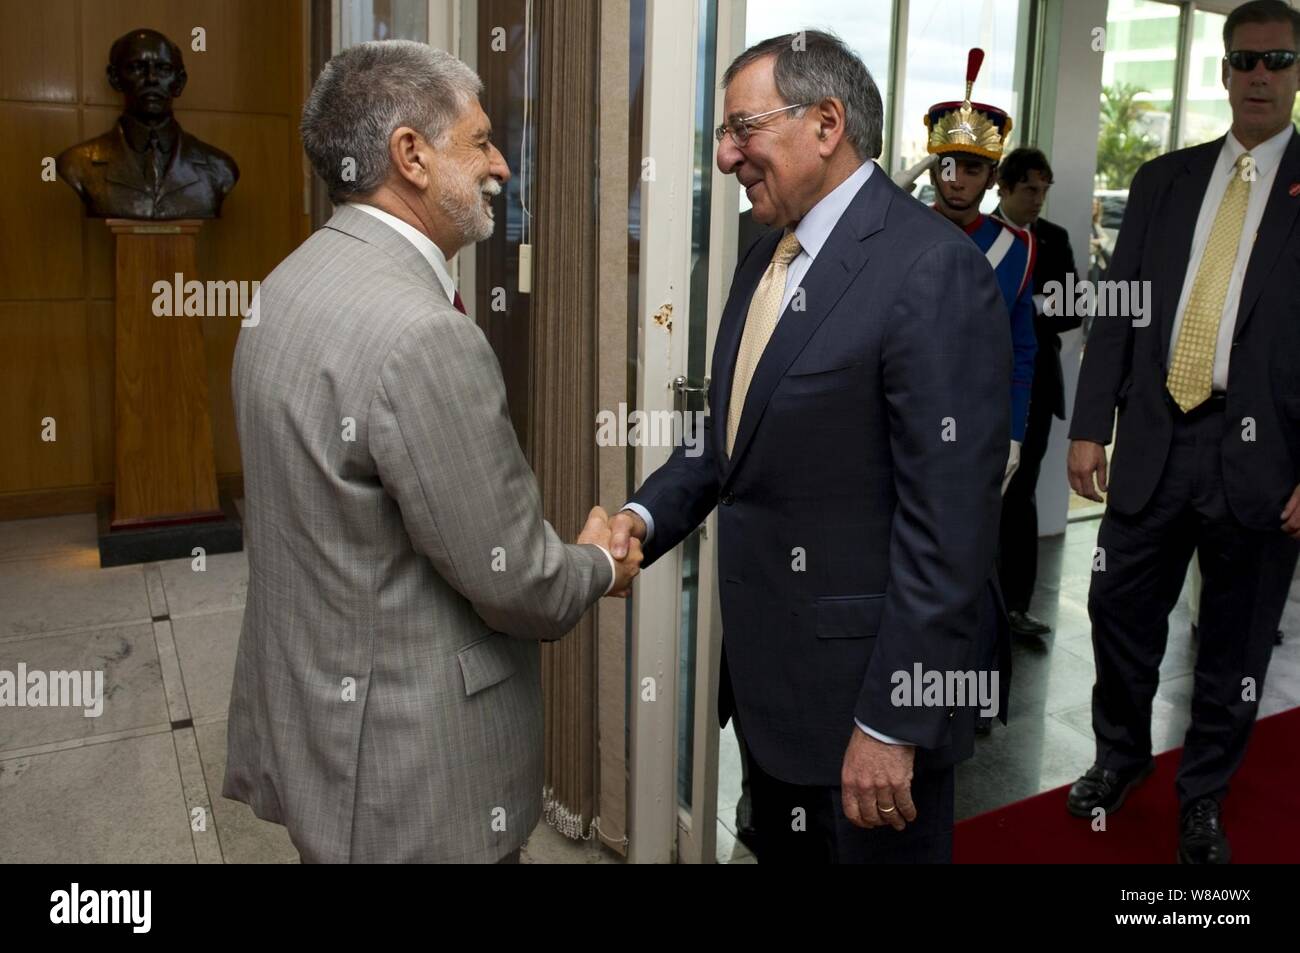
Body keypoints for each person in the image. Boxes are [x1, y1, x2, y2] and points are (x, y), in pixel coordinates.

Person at [222, 41, 641, 863]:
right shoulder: (424, 337)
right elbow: (516, 579)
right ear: (410, 155)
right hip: (410, 768)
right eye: (481, 140)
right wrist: (596, 563)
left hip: (319, 722)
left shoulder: (286, 282)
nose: (503, 167)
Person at [611, 31, 1011, 863]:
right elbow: (724, 441)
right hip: (770, 693)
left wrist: (891, 723)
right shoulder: (761, 252)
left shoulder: (931, 269)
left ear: (826, 123)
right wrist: (640, 520)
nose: (725, 157)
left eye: (741, 130)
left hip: (866, 715)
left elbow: (951, 531)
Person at [1066, 0, 1300, 864]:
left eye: (1277, 60)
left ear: (1298, 70)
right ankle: (1120, 757)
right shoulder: (1166, 180)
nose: (1259, 76)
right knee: (1119, 610)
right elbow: (1118, 311)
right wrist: (1090, 426)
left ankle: (1203, 795)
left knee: (1234, 644)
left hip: (1265, 460)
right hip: (1159, 438)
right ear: (1225, 69)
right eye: (1244, 61)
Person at [921, 49, 1038, 494]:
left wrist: (1013, 431)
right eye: (948, 166)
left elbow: (1022, 350)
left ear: (992, 178)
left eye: (972, 169)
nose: (957, 180)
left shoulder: (1016, 248)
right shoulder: (899, 232)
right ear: (934, 171)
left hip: (978, 428)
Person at [992, 148, 1083, 638]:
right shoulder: (980, 234)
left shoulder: (1053, 239)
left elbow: (1070, 310)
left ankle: (1015, 607)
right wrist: (1036, 304)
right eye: (1029, 189)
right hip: (983, 384)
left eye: (1044, 190)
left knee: (1021, 492)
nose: (1038, 200)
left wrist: (1018, 307)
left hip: (1038, 384)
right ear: (1003, 187)